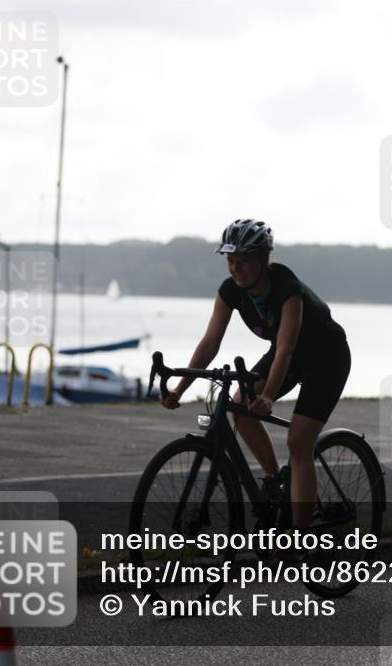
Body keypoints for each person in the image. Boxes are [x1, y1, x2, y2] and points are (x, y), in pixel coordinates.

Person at [159, 219, 351, 552]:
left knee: (299, 442)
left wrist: (267, 395)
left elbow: (288, 349)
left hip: (327, 357)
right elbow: (209, 345)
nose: (236, 268)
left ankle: (298, 541)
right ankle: (276, 481)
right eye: (230, 260)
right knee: (242, 410)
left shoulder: (287, 288)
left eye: (244, 259)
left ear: (264, 260)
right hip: (284, 354)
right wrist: (179, 388)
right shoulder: (230, 291)